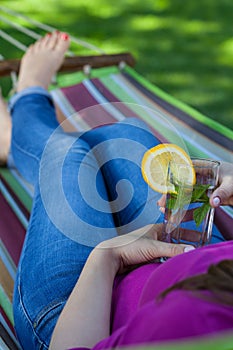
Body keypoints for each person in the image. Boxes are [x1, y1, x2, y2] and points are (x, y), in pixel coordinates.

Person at [1, 32, 233, 350]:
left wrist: (109, 256)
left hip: (82, 311)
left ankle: (28, 98)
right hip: (197, 251)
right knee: (126, 132)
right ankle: (18, 143)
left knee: (65, 152)